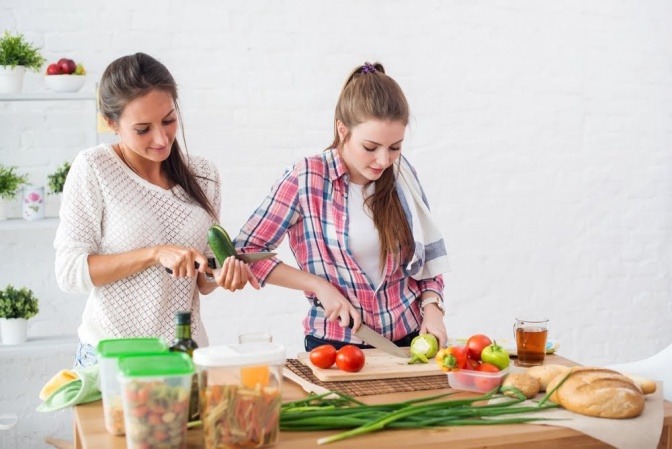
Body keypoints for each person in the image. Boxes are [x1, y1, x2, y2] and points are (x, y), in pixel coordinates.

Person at [54, 52, 257, 368]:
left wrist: (223, 275)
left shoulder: (204, 175)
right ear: (111, 124)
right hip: (112, 360)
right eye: (142, 129)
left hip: (185, 356)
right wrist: (154, 254)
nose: (162, 139)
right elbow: (69, 272)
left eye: (169, 120)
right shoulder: (95, 168)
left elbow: (202, 280)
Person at [235, 62, 450, 351]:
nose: (384, 161)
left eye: (395, 147)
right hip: (336, 346)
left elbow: (423, 257)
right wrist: (319, 286)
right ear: (342, 130)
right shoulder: (306, 177)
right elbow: (247, 252)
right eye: (371, 147)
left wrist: (433, 307)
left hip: (408, 341)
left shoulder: (403, 177)